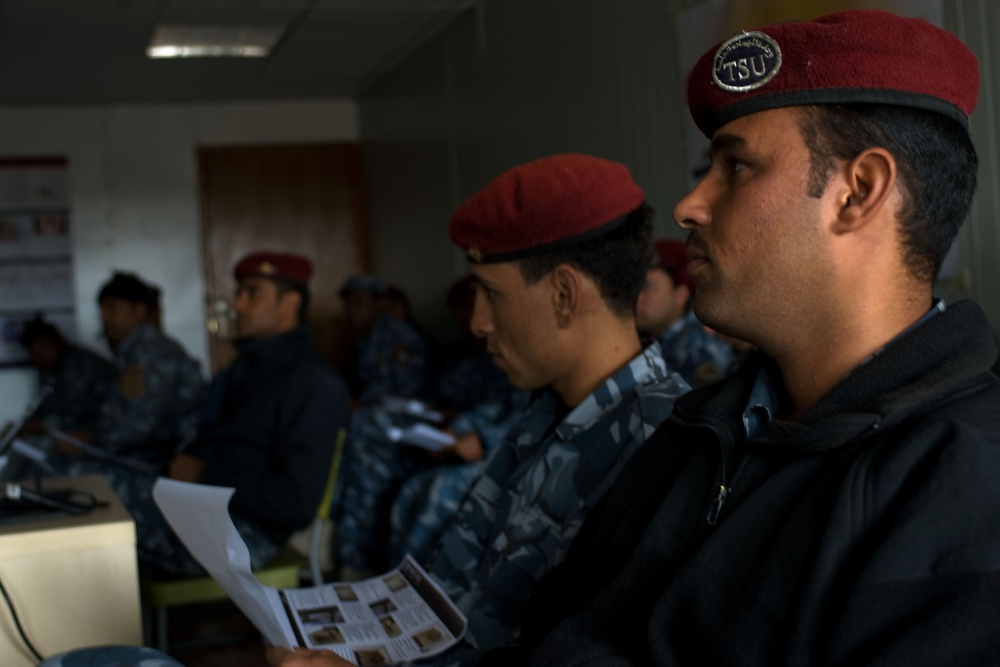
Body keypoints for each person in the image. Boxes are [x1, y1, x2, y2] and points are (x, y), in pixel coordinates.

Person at [464, 10, 998, 665]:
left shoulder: (965, 483)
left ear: (857, 192)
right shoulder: (700, 427)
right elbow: (548, 635)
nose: (690, 205)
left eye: (736, 167)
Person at [271, 153, 690, 667]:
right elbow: (454, 599)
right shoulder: (548, 415)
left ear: (564, 295)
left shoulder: (662, 448)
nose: (477, 323)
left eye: (491, 294)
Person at [108, 252, 351, 576]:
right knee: (96, 490)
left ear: (289, 303)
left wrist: (204, 476)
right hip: (204, 505)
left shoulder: (310, 381)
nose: (237, 305)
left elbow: (295, 501)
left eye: (252, 293)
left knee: (103, 508)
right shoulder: (247, 367)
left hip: (245, 533)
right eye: (239, 293)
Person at [332, 275, 529, 576]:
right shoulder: (456, 356)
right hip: (444, 438)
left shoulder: (509, 357)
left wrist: (469, 433)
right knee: (379, 457)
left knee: (432, 488)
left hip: (481, 448)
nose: (472, 319)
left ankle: (411, 588)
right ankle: (373, 567)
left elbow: (510, 412)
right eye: (463, 308)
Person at [52, 272, 204, 470]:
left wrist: (88, 440)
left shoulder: (153, 354)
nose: (105, 319)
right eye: (102, 311)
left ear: (139, 311)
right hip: (140, 455)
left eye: (113, 309)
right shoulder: (133, 352)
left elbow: (138, 427)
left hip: (158, 463)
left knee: (67, 473)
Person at [637, 238, 734, 387]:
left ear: (680, 295)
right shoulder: (647, 341)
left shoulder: (699, 346)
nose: (637, 297)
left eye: (646, 288)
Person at [17, 314, 116, 437]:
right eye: (33, 351)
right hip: (67, 437)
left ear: (60, 341)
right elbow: (45, 406)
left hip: (100, 436)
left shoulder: (83, 365)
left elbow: (89, 414)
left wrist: (44, 424)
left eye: (44, 346)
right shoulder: (48, 370)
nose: (40, 355)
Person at [340, 274, 431, 403]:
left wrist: (361, 407)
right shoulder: (362, 339)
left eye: (359, 301)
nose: (351, 309)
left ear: (379, 304)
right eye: (348, 302)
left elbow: (409, 395)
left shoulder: (400, 337)